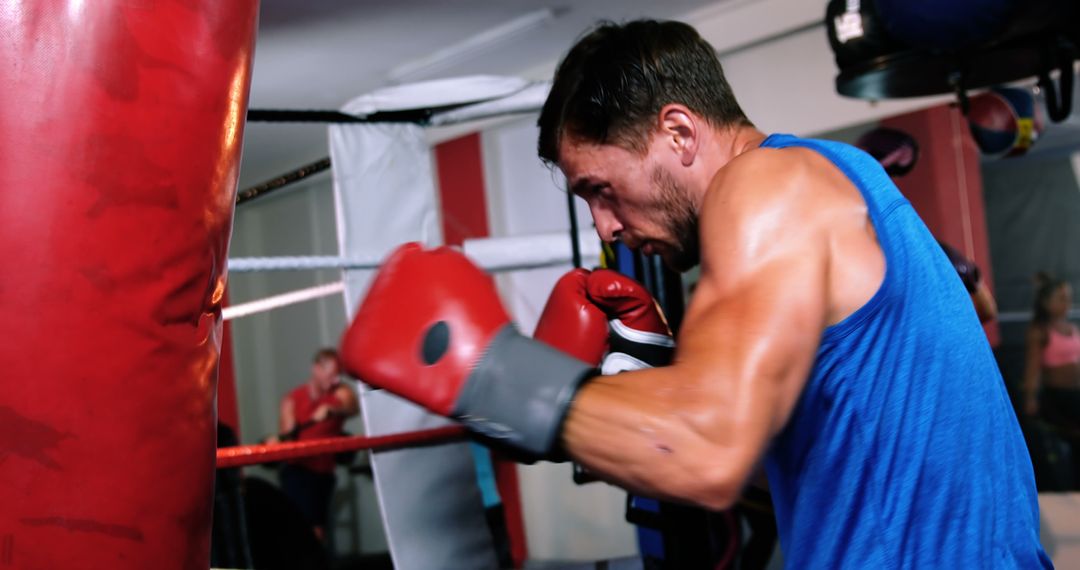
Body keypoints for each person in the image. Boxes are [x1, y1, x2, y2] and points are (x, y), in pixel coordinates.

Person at [340, 20, 1049, 568]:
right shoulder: (835, 176)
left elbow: (708, 451)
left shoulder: (765, 186)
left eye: (601, 189)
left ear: (679, 132)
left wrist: (491, 373)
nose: (606, 226)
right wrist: (627, 395)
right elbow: (786, 474)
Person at [273, 348, 359, 541]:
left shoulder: (340, 392)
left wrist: (332, 410)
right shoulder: (293, 399)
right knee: (298, 526)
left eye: (337, 376)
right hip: (297, 468)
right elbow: (287, 436)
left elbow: (353, 408)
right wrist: (285, 434)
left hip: (322, 472)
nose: (334, 380)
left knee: (316, 529)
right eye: (331, 375)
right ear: (317, 369)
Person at [1022, 273, 1080, 483]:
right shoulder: (1041, 331)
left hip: (1075, 395)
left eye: (1069, 297)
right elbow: (1033, 368)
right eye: (1061, 298)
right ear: (1046, 303)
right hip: (1058, 398)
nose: (1067, 303)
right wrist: (1030, 398)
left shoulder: (1072, 329)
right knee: (1062, 446)